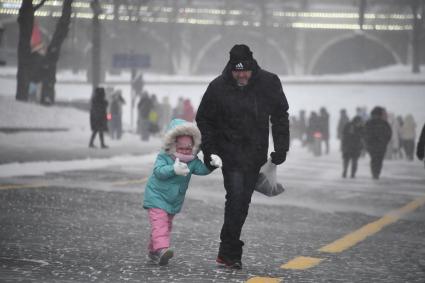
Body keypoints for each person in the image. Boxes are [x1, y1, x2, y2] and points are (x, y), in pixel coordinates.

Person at [195, 44, 290, 269]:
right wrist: (210, 150)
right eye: (236, 71)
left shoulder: (269, 82)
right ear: (230, 68)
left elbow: (280, 115)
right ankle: (229, 252)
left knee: (242, 203)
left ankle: (227, 251)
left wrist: (281, 147)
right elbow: (204, 119)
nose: (241, 75)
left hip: (255, 154)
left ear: (252, 66)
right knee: (236, 198)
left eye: (244, 71)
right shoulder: (218, 87)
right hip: (230, 154)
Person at [142, 118, 222, 265]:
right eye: (181, 148)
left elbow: (202, 170)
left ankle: (154, 251)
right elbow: (158, 172)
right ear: (173, 144)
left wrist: (212, 165)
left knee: (165, 226)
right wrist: (173, 169)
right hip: (156, 196)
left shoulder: (192, 161)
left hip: (173, 200)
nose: (185, 151)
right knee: (160, 224)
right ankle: (161, 250)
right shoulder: (164, 156)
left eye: (188, 148)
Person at [364, 106, 392, 179]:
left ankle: (374, 173)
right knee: (379, 160)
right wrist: (385, 142)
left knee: (373, 159)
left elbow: (364, 134)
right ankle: (377, 173)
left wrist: (367, 143)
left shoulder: (369, 123)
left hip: (372, 146)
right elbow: (388, 134)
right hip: (381, 146)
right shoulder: (384, 123)